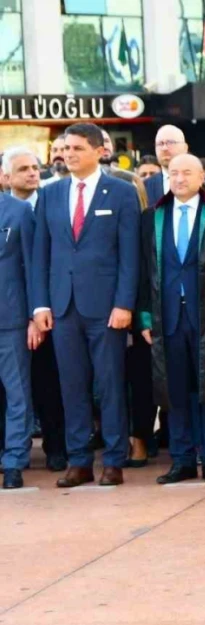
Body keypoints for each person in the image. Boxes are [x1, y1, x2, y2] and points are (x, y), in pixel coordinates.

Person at [33, 123, 140, 487]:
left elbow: (130, 255)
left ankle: (113, 460)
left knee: (110, 385)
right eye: (65, 148)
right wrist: (40, 306)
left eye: (77, 147)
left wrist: (125, 303)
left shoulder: (122, 193)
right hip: (63, 307)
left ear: (99, 150)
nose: (69, 154)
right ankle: (79, 461)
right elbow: (40, 256)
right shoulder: (50, 194)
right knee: (72, 385)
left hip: (107, 308)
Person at [138, 154, 205, 484]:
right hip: (167, 316)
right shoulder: (153, 216)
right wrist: (145, 318)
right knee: (175, 391)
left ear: (203, 176)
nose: (179, 178)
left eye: (187, 172)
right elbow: (145, 270)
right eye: (173, 173)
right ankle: (182, 459)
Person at [3, 148, 66, 472]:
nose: (32, 173)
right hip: (14, 317)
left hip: (32, 316)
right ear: (7, 176)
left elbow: (38, 264)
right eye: (23, 168)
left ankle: (38, 452)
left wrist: (35, 314)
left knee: (36, 386)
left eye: (34, 167)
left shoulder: (38, 206)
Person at [107, 168, 156, 469]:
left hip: (140, 311)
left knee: (141, 380)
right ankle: (115, 437)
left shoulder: (148, 223)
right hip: (103, 307)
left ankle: (140, 438)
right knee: (111, 380)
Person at [0, 188, 36, 488]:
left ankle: (14, 462)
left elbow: (32, 267)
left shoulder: (19, 210)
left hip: (9, 319)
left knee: (18, 395)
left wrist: (34, 316)